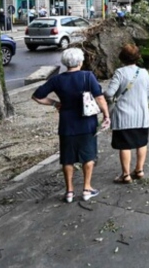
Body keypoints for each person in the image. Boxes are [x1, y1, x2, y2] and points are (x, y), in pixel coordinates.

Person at [31, 48, 110, 203]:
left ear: (65, 63)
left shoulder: (57, 80)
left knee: (67, 159)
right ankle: (87, 189)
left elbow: (37, 96)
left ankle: (69, 192)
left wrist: (55, 103)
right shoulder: (88, 76)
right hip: (87, 123)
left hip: (67, 124)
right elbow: (100, 98)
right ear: (80, 62)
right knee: (88, 156)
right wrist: (106, 115)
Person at [105, 44, 149, 184]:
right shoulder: (144, 72)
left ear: (122, 57)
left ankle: (126, 175)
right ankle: (139, 170)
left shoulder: (120, 73)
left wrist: (107, 99)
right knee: (141, 143)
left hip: (123, 116)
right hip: (142, 115)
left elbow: (109, 93)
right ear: (138, 57)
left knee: (125, 146)